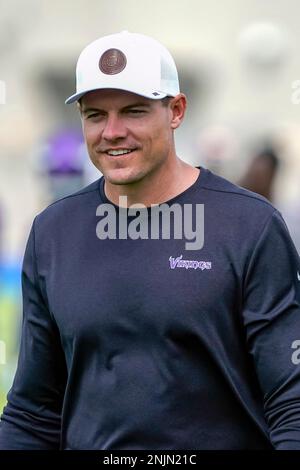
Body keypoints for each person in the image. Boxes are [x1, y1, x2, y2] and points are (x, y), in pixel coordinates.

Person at [0, 31, 300, 451]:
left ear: (176, 110)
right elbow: (32, 413)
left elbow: (292, 403)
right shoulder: (53, 231)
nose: (112, 131)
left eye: (134, 111)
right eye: (95, 115)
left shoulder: (248, 225)